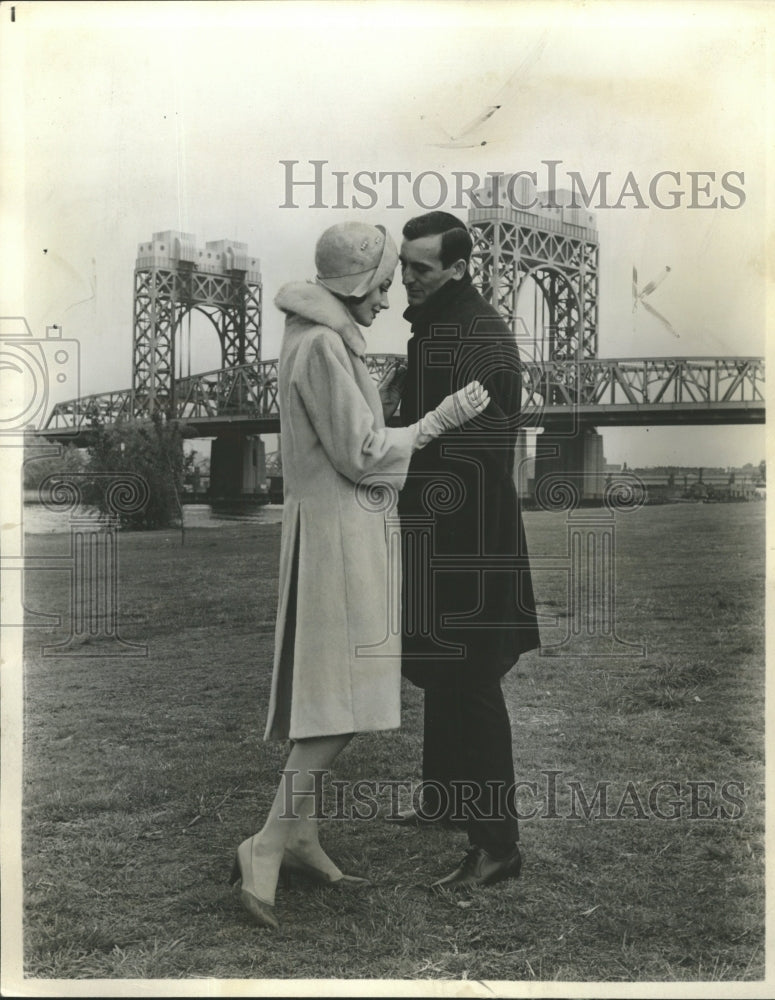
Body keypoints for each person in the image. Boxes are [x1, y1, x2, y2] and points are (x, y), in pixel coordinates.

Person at [230, 221, 490, 929]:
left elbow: (346, 434)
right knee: (337, 706)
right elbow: (363, 454)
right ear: (351, 285)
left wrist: (382, 393)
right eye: (380, 285)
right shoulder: (321, 346)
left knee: (327, 696)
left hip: (340, 533)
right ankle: (267, 843)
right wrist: (437, 418)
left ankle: (303, 837)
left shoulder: (320, 343)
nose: (388, 297)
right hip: (340, 540)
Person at [389, 211, 541, 891]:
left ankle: (497, 846)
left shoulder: (480, 338)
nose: (406, 280)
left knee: (472, 680)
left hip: (469, 538)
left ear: (457, 267)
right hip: (443, 530)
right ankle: (444, 798)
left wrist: (396, 474)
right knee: (446, 671)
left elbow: (476, 454)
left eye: (419, 269)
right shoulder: (438, 329)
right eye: (402, 266)